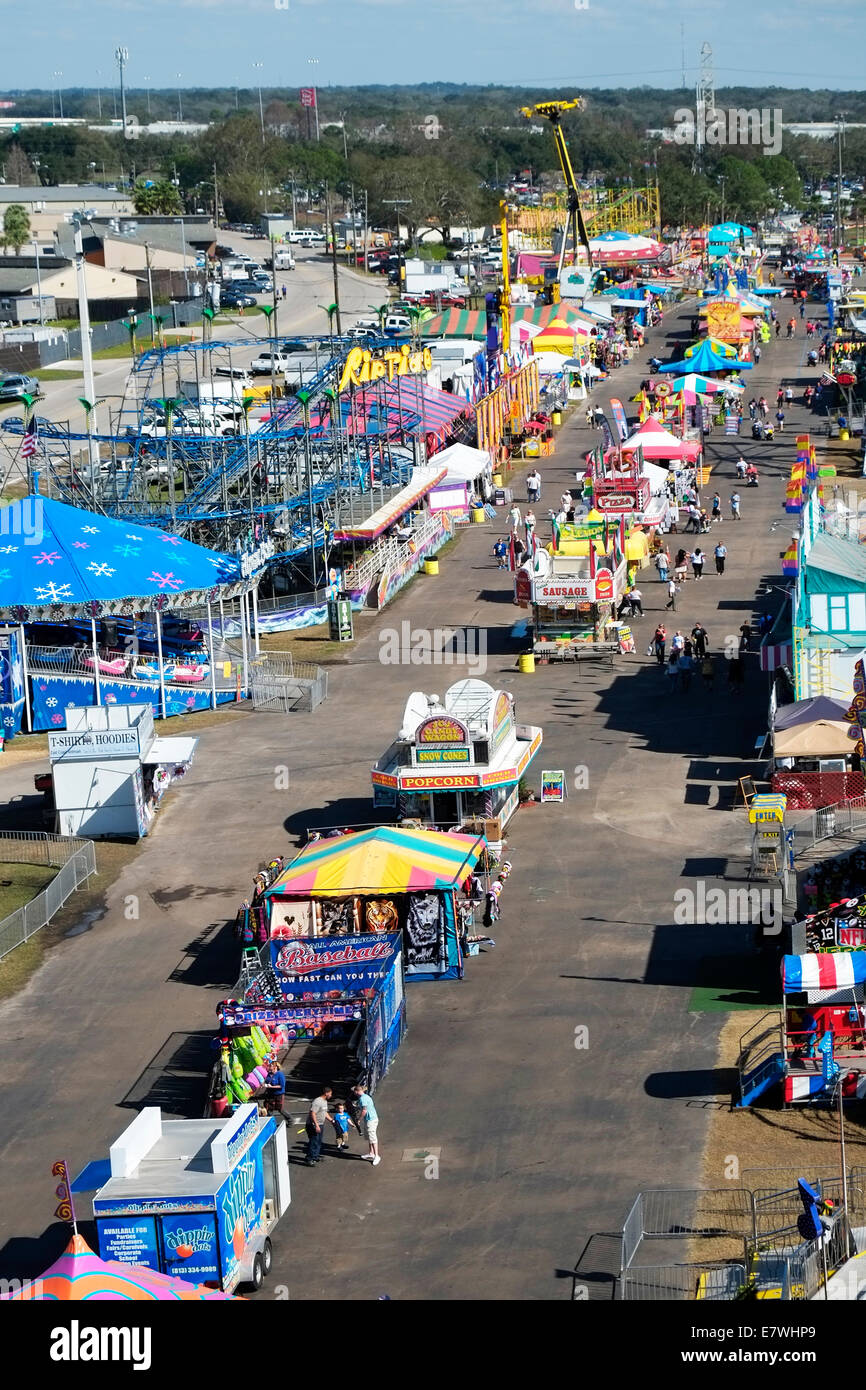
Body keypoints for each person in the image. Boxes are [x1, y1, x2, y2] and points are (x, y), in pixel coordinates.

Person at [352, 1082, 381, 1165]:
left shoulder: (363, 1099)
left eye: (354, 1092)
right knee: (369, 1137)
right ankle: (371, 1153)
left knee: (372, 1138)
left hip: (371, 1120)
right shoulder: (364, 1097)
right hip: (369, 1120)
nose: (354, 1093)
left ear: (356, 1091)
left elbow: (364, 1110)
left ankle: (377, 1156)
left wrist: (359, 1119)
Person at [306, 1086, 334, 1166]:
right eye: (330, 1094)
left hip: (320, 1124)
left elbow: (324, 1112)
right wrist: (316, 1125)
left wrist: (331, 1120)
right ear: (326, 1093)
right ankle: (309, 1159)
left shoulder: (325, 1101)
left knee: (318, 1141)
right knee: (313, 1142)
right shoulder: (317, 1101)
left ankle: (315, 1156)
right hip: (313, 1125)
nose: (331, 1095)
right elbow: (313, 1113)